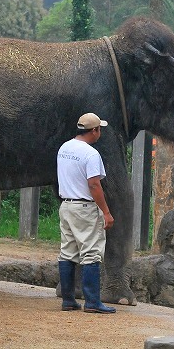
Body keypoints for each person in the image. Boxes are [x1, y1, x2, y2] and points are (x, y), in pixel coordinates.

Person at [57, 112, 116, 314]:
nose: (100, 133)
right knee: (91, 253)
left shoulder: (64, 148)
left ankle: (68, 300)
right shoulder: (90, 154)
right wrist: (106, 212)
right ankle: (92, 301)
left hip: (66, 205)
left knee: (67, 252)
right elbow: (94, 184)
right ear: (94, 131)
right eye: (100, 129)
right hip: (85, 208)